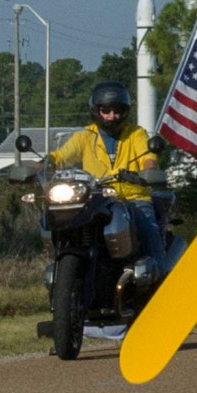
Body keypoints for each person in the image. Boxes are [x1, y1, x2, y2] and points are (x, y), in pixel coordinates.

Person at [48, 80, 170, 284]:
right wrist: (41, 164)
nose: (112, 116)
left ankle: (161, 280)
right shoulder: (85, 136)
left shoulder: (136, 133)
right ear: (96, 111)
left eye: (117, 110)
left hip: (132, 198)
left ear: (125, 111)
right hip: (96, 199)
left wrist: (148, 170)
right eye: (106, 110)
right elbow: (61, 156)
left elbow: (148, 156)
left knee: (148, 228)